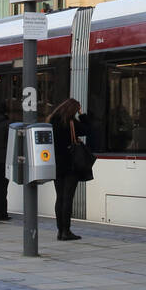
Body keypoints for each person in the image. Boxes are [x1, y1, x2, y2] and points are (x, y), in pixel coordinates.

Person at [49, 98, 87, 241]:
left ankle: (60, 231)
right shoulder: (71, 123)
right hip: (70, 164)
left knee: (59, 197)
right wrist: (82, 115)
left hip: (56, 164)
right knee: (68, 198)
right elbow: (87, 130)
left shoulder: (52, 121)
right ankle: (66, 231)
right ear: (73, 110)